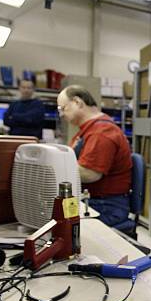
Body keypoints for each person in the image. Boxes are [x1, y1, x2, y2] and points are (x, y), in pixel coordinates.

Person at [57, 85, 132, 227]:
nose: (61, 114)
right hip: (95, 200)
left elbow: (90, 174)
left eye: (63, 108)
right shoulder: (88, 130)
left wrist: (56, 167)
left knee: (59, 225)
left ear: (78, 103)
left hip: (106, 206)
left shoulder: (101, 132)